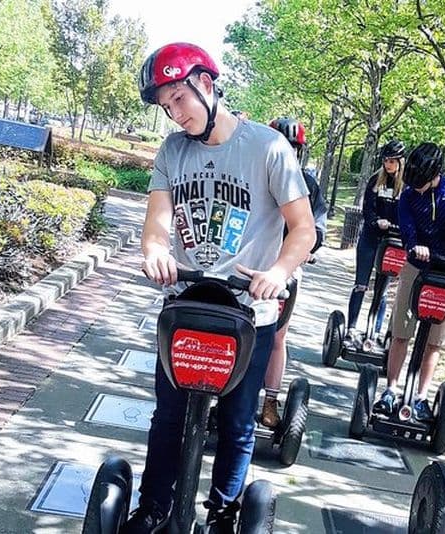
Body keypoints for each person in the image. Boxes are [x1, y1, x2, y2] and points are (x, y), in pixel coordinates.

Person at [127, 42, 315, 533]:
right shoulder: (172, 151)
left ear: (206, 86)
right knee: (167, 417)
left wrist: (278, 273)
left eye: (179, 100)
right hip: (186, 303)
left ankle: (225, 512)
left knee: (237, 422)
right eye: (166, 107)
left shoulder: (268, 148)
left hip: (249, 309)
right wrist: (155, 252)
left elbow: (303, 229)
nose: (174, 115)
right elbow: (156, 224)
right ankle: (153, 509)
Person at [374, 142, 445, 422]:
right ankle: (390, 390)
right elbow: (408, 228)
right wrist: (414, 245)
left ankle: (421, 397)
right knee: (401, 331)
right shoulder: (409, 196)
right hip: (415, 266)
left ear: (435, 174)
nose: (417, 189)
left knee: (435, 340)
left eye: (421, 184)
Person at [260, 117, 328, 428]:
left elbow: (317, 226)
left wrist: (308, 250)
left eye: (291, 148)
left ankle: (270, 401)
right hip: (249, 265)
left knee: (276, 337)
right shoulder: (254, 172)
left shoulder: (307, 185)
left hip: (284, 271)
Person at [345, 139, 406, 346]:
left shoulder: (406, 187)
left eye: (392, 161)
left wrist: (401, 228)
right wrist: (375, 221)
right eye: (386, 160)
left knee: (382, 288)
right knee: (361, 284)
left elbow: (408, 214)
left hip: (392, 242)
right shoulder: (375, 180)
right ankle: (351, 328)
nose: (388, 164)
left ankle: (376, 332)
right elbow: (367, 208)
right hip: (371, 238)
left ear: (400, 161)